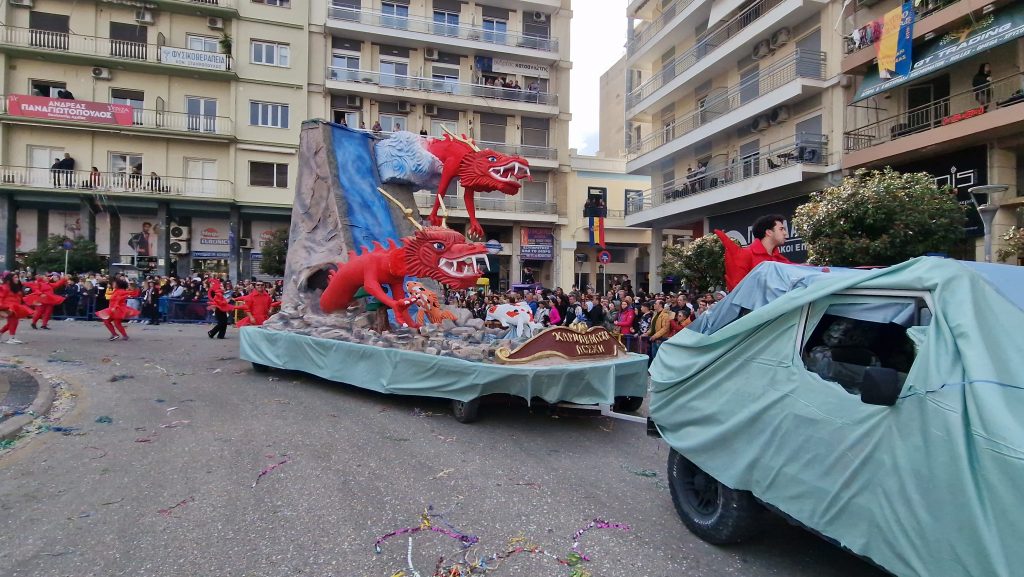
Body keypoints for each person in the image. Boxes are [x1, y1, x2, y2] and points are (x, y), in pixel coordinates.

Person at [715, 214, 792, 291]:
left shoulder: (781, 260)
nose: (785, 233)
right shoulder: (746, 255)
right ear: (769, 232)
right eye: (781, 229)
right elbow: (738, 291)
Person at [0, 273, 34, 344]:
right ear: (10, 279)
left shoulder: (15, 287)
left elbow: (19, 298)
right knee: (13, 322)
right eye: (15, 277)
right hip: (8, 306)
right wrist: (2, 308)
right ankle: (11, 338)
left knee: (12, 322)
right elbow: (1, 297)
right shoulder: (4, 287)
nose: (17, 279)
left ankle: (8, 336)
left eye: (17, 277)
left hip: (16, 306)